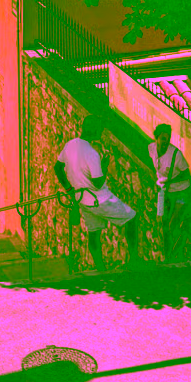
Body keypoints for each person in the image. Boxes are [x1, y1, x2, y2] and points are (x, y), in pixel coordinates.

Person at [55, 114, 138, 272]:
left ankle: (100, 268)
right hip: (99, 199)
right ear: (93, 130)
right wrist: (104, 164)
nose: (101, 132)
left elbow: (57, 168)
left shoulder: (70, 145)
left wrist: (69, 189)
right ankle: (134, 260)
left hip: (82, 199)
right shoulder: (91, 153)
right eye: (100, 129)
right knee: (132, 218)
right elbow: (98, 183)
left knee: (94, 232)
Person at [148, 123, 190, 259]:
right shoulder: (151, 148)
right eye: (163, 138)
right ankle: (168, 253)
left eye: (168, 138)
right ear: (156, 138)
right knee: (163, 223)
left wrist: (170, 181)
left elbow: (186, 174)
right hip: (165, 191)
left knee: (173, 223)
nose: (165, 142)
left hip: (181, 190)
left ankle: (176, 254)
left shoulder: (176, 155)